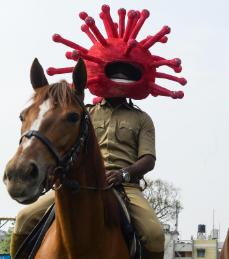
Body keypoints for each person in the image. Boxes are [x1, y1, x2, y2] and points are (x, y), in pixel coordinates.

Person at [10, 97, 165, 259]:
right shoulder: (85, 113)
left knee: (154, 235)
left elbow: (148, 159)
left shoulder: (142, 119)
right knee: (23, 219)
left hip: (125, 185)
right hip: (79, 182)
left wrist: (123, 174)